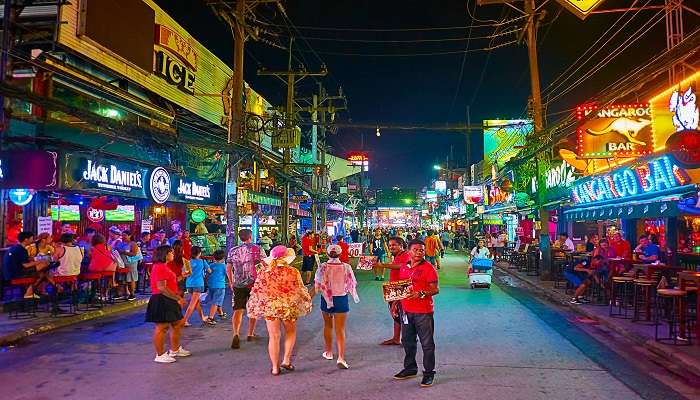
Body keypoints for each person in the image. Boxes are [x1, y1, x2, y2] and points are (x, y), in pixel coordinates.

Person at [247, 245, 312, 375]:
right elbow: (300, 289)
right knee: (290, 333)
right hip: (289, 307)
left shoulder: (264, 272)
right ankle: (286, 361)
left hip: (270, 308)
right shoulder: (293, 271)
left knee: (274, 337)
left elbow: (256, 290)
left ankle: (275, 368)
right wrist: (307, 300)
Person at [393, 239, 439, 388]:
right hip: (406, 310)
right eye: (416, 250)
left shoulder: (428, 268)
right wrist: (395, 302)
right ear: (409, 251)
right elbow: (401, 288)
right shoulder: (404, 267)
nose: (420, 252)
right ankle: (410, 368)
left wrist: (421, 293)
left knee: (427, 344)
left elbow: (435, 289)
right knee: (408, 341)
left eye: (422, 250)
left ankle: (429, 373)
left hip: (423, 312)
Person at [309, 244, 359, 369]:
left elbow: (317, 286)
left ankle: (329, 352)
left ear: (327, 254)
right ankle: (341, 358)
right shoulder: (346, 267)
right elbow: (352, 283)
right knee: (340, 329)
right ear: (340, 254)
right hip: (341, 299)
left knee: (327, 326)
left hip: (326, 299)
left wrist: (308, 299)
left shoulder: (322, 267)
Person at [145, 245, 190, 363]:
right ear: (165, 254)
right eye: (171, 252)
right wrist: (178, 298)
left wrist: (183, 276)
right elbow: (162, 288)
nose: (173, 254)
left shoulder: (165, 267)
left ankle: (175, 349)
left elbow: (170, 282)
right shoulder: (160, 267)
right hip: (162, 299)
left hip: (169, 298)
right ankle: (159, 354)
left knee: (178, 323)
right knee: (162, 327)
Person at [226, 228, 266, 349]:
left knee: (238, 309)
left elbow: (228, 268)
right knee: (252, 308)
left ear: (240, 237)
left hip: (238, 284)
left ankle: (236, 333)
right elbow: (264, 265)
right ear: (250, 236)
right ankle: (250, 333)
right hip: (254, 283)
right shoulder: (257, 249)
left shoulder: (233, 251)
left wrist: (231, 282)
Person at [377, 236, 410, 346]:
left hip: (401, 287)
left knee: (403, 314)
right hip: (394, 287)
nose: (391, 247)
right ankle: (396, 338)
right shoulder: (397, 255)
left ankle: (407, 339)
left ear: (401, 245)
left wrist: (384, 265)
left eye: (394, 245)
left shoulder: (406, 255)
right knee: (395, 314)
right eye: (390, 245)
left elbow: (403, 266)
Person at [2, 231, 49, 298]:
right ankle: (29, 293)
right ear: (26, 239)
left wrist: (34, 259)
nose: (33, 240)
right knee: (43, 267)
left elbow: (24, 260)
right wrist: (39, 261)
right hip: (15, 274)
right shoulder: (21, 249)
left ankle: (31, 292)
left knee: (41, 273)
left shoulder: (16, 248)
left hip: (10, 273)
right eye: (32, 238)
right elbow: (25, 265)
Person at [183, 246, 208, 326]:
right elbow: (209, 270)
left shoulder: (188, 262)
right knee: (193, 304)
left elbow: (184, 274)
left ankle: (202, 317)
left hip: (189, 284)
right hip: (198, 284)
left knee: (197, 302)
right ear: (200, 253)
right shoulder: (202, 261)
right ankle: (184, 320)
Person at [117, 230, 142, 301]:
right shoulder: (121, 243)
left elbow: (134, 254)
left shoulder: (133, 244)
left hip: (131, 263)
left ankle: (132, 294)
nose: (123, 236)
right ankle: (121, 293)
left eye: (125, 235)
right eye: (122, 235)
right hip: (122, 263)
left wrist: (124, 252)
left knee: (131, 279)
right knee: (122, 278)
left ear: (130, 236)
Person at [206, 250, 228, 324]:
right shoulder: (224, 266)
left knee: (217, 300)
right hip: (220, 286)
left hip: (211, 285)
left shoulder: (211, 265)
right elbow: (228, 274)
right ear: (223, 258)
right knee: (216, 302)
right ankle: (210, 318)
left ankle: (221, 313)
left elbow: (207, 274)